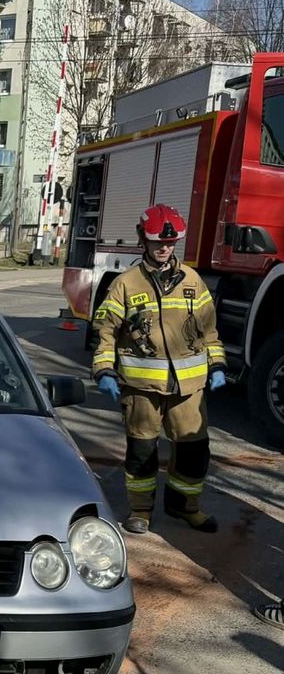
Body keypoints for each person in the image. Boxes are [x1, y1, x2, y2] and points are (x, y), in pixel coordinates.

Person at [92, 203, 227, 535]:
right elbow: (106, 332)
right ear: (144, 240)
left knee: (194, 451)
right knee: (142, 452)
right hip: (141, 389)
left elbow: (209, 330)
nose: (164, 249)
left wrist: (218, 364)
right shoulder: (125, 284)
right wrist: (105, 370)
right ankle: (141, 511)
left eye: (170, 243)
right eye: (157, 243)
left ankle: (185, 507)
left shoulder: (193, 281)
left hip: (188, 388)